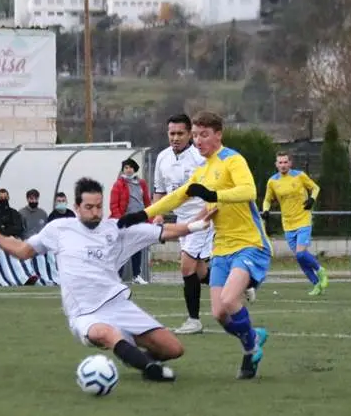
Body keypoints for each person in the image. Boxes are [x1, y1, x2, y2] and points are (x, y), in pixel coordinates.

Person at [0, 177, 214, 383]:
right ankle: (150, 370)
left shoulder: (115, 229)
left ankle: (135, 355)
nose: (95, 213)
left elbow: (166, 231)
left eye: (98, 207)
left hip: (118, 305)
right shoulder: (59, 229)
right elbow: (21, 251)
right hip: (84, 313)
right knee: (105, 333)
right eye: (89, 207)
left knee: (173, 349)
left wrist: (197, 224)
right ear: (76, 207)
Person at [119, 111, 271, 380]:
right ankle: (253, 335)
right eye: (197, 135)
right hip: (222, 246)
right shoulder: (202, 169)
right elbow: (177, 196)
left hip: (249, 243)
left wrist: (213, 194)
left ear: (218, 135)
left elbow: (249, 191)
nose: (199, 141)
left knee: (228, 299)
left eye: (204, 135)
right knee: (219, 313)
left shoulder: (232, 159)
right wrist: (142, 214)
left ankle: (250, 348)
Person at [153, 114, 215, 334]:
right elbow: (159, 190)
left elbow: (212, 195)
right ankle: (240, 284)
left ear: (190, 134)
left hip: (202, 220)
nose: (175, 138)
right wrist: (157, 214)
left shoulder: (200, 159)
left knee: (186, 265)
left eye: (180, 133)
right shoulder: (162, 158)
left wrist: (201, 218)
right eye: (172, 133)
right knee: (200, 272)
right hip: (181, 222)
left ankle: (194, 320)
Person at [262, 152, 329, 294]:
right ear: (276, 164)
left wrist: (312, 200)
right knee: (301, 259)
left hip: (303, 219)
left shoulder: (299, 176)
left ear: (290, 163)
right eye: (280, 162)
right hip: (287, 224)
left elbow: (315, 188)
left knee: (300, 254)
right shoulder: (272, 181)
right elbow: (267, 199)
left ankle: (320, 270)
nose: (283, 165)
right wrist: (266, 210)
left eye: (285, 162)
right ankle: (317, 285)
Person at [109, 158, 152, 284]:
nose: (128, 170)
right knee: (121, 249)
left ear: (135, 169)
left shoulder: (141, 183)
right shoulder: (118, 184)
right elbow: (113, 204)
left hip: (138, 220)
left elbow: (147, 202)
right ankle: (117, 276)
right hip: (125, 221)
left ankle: (136, 275)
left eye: (130, 167)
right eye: (126, 167)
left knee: (137, 248)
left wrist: (149, 218)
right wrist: (120, 219)